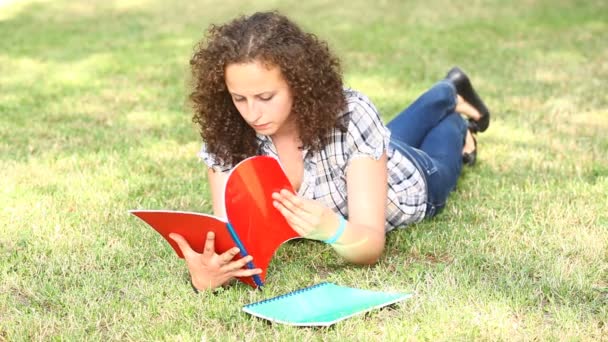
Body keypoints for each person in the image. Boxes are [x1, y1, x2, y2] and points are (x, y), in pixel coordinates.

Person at [168, 11, 491, 291]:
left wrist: (331, 229)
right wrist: (208, 276)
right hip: (369, 157)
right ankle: (448, 95)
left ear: (298, 82)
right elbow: (233, 240)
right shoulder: (228, 132)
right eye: (240, 99)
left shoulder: (350, 113)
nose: (252, 114)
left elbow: (369, 247)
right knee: (393, 135)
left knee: (445, 133)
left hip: (413, 178)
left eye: (266, 97)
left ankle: (454, 108)